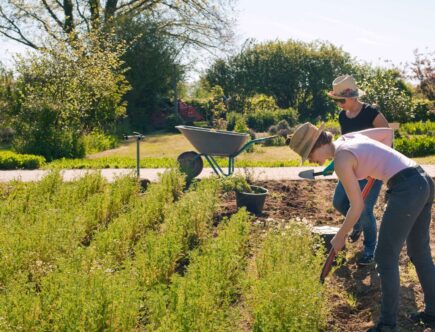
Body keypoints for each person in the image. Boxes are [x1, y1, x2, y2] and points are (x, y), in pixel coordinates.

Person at [288, 122, 435, 331]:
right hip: (422, 180)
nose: (310, 160)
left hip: (406, 189)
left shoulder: (341, 160)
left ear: (315, 146)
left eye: (308, 154)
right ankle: (433, 313)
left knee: (385, 257)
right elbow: (386, 134)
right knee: (419, 252)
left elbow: (357, 207)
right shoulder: (349, 138)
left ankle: (387, 324)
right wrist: (376, 165)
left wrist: (340, 235)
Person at [328, 75, 389, 266]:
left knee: (365, 210)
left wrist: (378, 167)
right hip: (353, 168)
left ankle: (371, 249)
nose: (338, 104)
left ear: (353, 97)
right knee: (338, 202)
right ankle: (357, 224)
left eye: (341, 100)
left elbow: (387, 139)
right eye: (336, 100)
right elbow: (347, 142)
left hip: (372, 169)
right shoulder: (342, 116)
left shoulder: (372, 114)